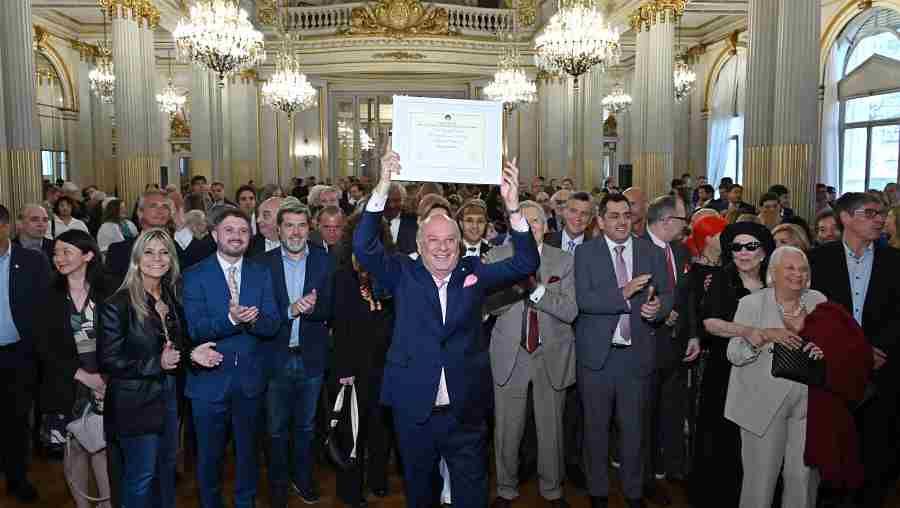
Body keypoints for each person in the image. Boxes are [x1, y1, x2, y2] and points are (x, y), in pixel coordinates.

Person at [353, 150, 539, 508]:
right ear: (420, 246)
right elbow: (363, 244)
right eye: (433, 241)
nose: (442, 248)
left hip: (464, 410)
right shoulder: (402, 274)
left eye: (450, 241)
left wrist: (513, 207)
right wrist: (383, 186)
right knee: (421, 494)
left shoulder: (474, 272)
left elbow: (527, 261)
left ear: (459, 245)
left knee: (471, 494)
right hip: (413, 410)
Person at [574, 193, 673, 508]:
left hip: (636, 357)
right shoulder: (585, 254)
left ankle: (633, 494)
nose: (620, 222)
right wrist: (625, 292)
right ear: (600, 221)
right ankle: (598, 493)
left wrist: (658, 308)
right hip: (597, 360)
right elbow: (584, 301)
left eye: (626, 215)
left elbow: (669, 292)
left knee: (634, 432)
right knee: (596, 431)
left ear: (634, 219)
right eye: (613, 216)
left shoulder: (649, 251)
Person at [182, 208, 281, 508]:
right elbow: (195, 329)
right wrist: (232, 319)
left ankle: (245, 502)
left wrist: (252, 320)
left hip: (250, 381)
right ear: (215, 235)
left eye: (242, 231)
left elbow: (273, 323)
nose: (236, 236)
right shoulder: (194, 275)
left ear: (249, 237)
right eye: (229, 230)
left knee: (248, 453)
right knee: (209, 457)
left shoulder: (261, 272)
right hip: (208, 383)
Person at [808, 192, 900, 508]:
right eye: (871, 213)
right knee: (833, 455)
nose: (879, 219)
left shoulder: (895, 261)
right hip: (832, 372)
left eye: (882, 213)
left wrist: (878, 349)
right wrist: (854, 352)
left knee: (877, 455)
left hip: (883, 369)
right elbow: (812, 315)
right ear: (845, 218)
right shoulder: (816, 260)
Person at [485, 200, 577, 508]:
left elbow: (570, 310)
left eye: (535, 221)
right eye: (522, 221)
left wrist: (536, 290)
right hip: (510, 353)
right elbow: (489, 306)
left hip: (550, 354)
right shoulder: (496, 258)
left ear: (546, 226)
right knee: (507, 429)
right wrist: (516, 285)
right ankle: (506, 489)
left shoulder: (564, 261)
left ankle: (552, 490)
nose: (529, 226)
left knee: (551, 429)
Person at [724, 246, 827, 508]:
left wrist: (822, 350)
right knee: (761, 481)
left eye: (803, 269)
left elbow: (831, 343)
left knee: (802, 479)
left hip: (807, 405)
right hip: (761, 406)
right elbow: (734, 353)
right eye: (790, 268)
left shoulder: (818, 301)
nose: (798, 274)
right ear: (773, 273)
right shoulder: (752, 303)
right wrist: (762, 337)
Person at [97, 229, 188, 508]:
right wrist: (156, 364)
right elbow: (109, 360)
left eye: (164, 252)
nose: (157, 259)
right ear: (137, 259)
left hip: (170, 394)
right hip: (135, 402)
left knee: (166, 469)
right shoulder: (117, 304)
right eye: (149, 252)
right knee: (141, 476)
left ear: (171, 260)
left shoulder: (172, 298)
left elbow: (175, 347)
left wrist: (193, 353)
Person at [688, 221, 774, 508]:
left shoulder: (776, 281)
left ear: (764, 251)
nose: (744, 252)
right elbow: (710, 323)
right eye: (737, 247)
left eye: (751, 246)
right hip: (726, 372)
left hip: (769, 374)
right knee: (725, 440)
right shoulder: (722, 279)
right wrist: (747, 332)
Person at [257, 201, 336, 506]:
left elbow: (332, 309)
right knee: (275, 429)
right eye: (289, 225)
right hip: (275, 358)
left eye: (301, 225)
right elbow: (260, 316)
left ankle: (302, 479)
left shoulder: (324, 261)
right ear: (278, 230)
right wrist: (289, 311)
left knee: (306, 427)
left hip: (311, 358)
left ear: (309, 229)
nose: (295, 232)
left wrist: (315, 310)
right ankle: (278, 485)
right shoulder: (261, 264)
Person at [39, 231, 113, 508]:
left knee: (102, 450)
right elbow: (42, 345)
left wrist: (104, 379)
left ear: (88, 255)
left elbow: (121, 338)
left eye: (66, 252)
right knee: (75, 450)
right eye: (56, 253)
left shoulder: (110, 289)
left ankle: (106, 505)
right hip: (64, 383)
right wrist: (82, 375)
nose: (58, 258)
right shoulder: (47, 293)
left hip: (106, 383)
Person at [332, 213, 395, 507]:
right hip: (353, 366)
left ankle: (379, 481)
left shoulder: (389, 271)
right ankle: (350, 490)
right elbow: (340, 325)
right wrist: (344, 368)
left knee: (380, 429)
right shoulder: (343, 273)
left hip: (386, 364)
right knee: (352, 432)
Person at [642, 195, 696, 500]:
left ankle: (676, 469)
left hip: (677, 346)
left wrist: (693, 334)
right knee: (645, 414)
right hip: (648, 345)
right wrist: (662, 310)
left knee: (674, 410)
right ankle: (647, 476)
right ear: (666, 221)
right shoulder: (637, 249)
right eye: (682, 220)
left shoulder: (681, 250)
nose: (686, 225)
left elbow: (687, 297)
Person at [0, 204, 51, 504]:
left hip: (19, 354)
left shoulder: (32, 261)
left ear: (6, 227)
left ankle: (17, 477)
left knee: (17, 419)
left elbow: (46, 308)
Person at [106, 190, 174, 287]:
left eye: (165, 207)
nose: (160, 211)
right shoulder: (118, 251)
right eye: (153, 206)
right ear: (140, 212)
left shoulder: (177, 249)